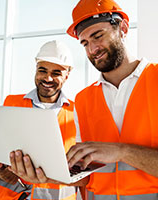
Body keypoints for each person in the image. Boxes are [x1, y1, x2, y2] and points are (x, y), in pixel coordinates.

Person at [65, 0, 158, 199]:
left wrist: (122, 151)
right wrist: (50, 174)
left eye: (98, 36)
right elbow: (87, 175)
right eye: (85, 43)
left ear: (123, 28)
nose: (92, 49)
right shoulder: (83, 99)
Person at [0, 40, 79, 200]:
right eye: (43, 70)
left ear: (67, 76)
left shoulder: (77, 113)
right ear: (36, 70)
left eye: (56, 73)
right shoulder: (11, 103)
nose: (48, 78)